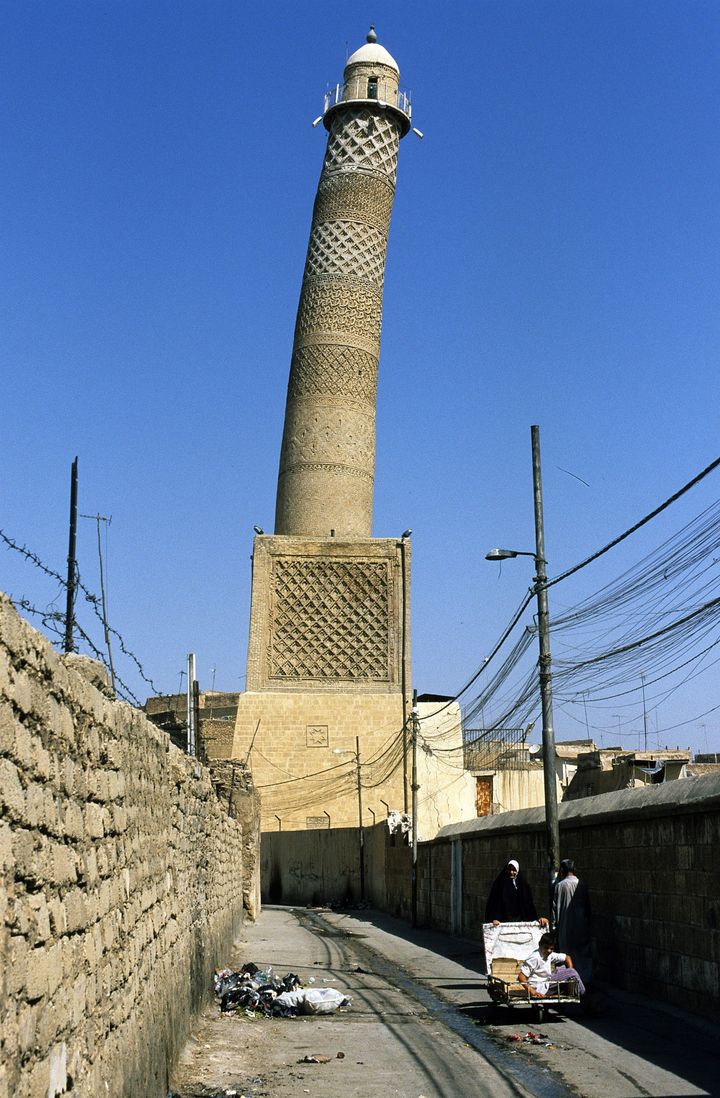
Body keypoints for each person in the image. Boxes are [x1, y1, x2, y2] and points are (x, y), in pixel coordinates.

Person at [552, 858, 592, 984]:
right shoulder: (582, 884)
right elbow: (587, 908)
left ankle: (570, 982)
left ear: (563, 870)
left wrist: (554, 929)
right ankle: (583, 981)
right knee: (582, 955)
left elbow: (555, 910)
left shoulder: (559, 886)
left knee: (567, 955)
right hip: (581, 927)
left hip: (565, 928)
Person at [518, 932, 586, 998]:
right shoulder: (535, 957)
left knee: (564, 969)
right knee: (572, 972)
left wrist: (569, 973)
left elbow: (567, 958)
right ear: (540, 945)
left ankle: (575, 991)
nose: (549, 951)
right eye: (546, 948)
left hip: (546, 981)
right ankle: (584, 994)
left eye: (551, 949)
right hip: (541, 987)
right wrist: (533, 992)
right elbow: (521, 977)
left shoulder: (548, 954)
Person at [485, 859, 548, 925]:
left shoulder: (523, 885)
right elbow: (495, 902)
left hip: (521, 922)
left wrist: (535, 920)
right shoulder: (500, 884)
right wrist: (495, 918)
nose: (511, 872)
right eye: (509, 870)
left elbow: (528, 905)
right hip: (503, 921)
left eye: (514, 870)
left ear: (517, 870)